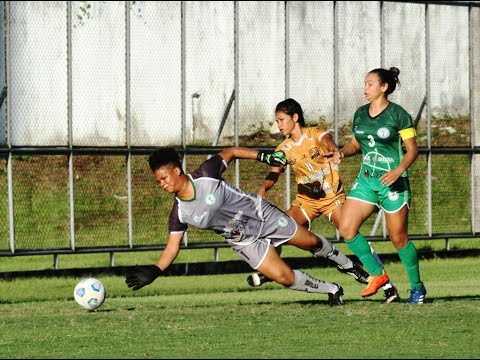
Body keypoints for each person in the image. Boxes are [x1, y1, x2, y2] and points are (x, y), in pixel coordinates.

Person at [125, 146, 363, 306]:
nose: (161, 184)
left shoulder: (205, 174)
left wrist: (265, 157)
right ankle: (332, 289)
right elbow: (172, 247)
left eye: (164, 178)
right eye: (158, 181)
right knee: (283, 278)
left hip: (261, 215)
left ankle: (348, 265)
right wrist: (156, 270)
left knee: (310, 242)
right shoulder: (179, 212)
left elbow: (231, 152)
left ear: (177, 171)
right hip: (244, 241)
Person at [246, 98, 400, 303]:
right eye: (277, 121)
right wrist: (263, 188)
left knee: (350, 233)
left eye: (282, 120)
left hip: (332, 198)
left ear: (295, 117)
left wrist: (334, 150)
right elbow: (274, 172)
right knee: (275, 228)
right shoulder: (282, 149)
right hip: (305, 202)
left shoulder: (316, 134)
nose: (279, 125)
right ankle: (271, 271)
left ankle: (387, 285)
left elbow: (328, 141)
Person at [332, 67, 426, 304]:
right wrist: (342, 152)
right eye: (365, 84)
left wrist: (398, 171)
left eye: (370, 84)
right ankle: (378, 275)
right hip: (367, 181)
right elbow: (356, 144)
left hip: (392, 184)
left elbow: (413, 150)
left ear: (384, 87)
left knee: (399, 239)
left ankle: (417, 287)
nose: (365, 88)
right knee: (346, 228)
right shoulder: (360, 114)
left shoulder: (398, 115)